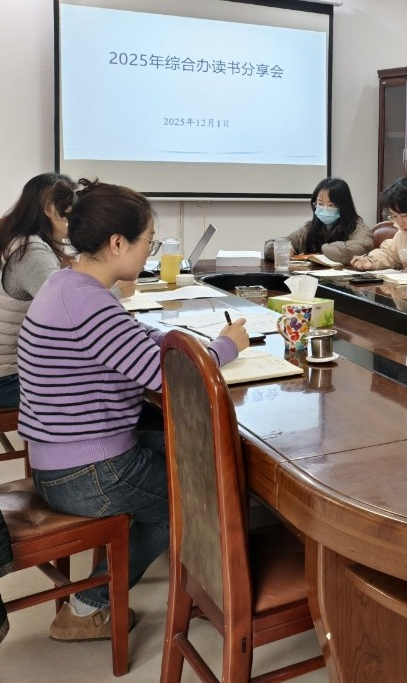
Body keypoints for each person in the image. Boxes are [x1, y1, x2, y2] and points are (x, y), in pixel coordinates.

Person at [17, 179, 249, 642]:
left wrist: (176, 340)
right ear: (117, 243)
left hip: (64, 456)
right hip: (85, 472)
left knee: (195, 453)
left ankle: (203, 581)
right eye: (149, 242)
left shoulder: (68, 284)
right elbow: (168, 379)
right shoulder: (87, 303)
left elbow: (133, 340)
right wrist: (226, 347)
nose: (149, 253)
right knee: (197, 491)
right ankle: (89, 607)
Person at [0, 173, 76, 408]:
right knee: (98, 387)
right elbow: (69, 314)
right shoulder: (31, 252)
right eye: (70, 210)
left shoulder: (15, 239)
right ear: (51, 209)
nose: (75, 218)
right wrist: (116, 290)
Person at [263, 177, 372, 265]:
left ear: (344, 207)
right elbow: (271, 247)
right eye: (320, 204)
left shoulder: (359, 229)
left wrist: (324, 248)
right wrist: (286, 247)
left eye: (331, 205)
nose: (324, 209)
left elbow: (353, 251)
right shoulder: (311, 228)